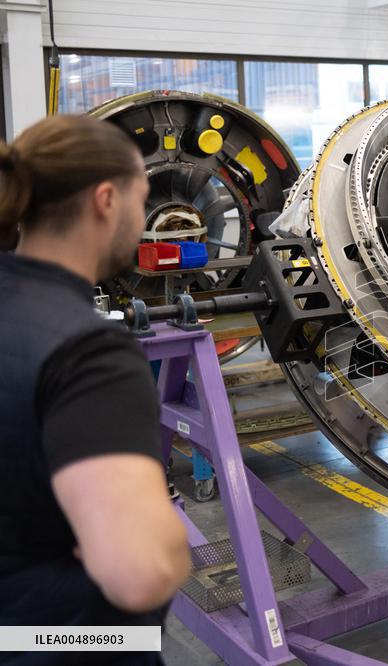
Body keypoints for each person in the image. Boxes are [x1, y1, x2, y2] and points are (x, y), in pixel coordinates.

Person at [0, 115, 191, 661]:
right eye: (143, 197)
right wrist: (169, 539)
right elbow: (141, 575)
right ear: (106, 200)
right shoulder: (88, 352)